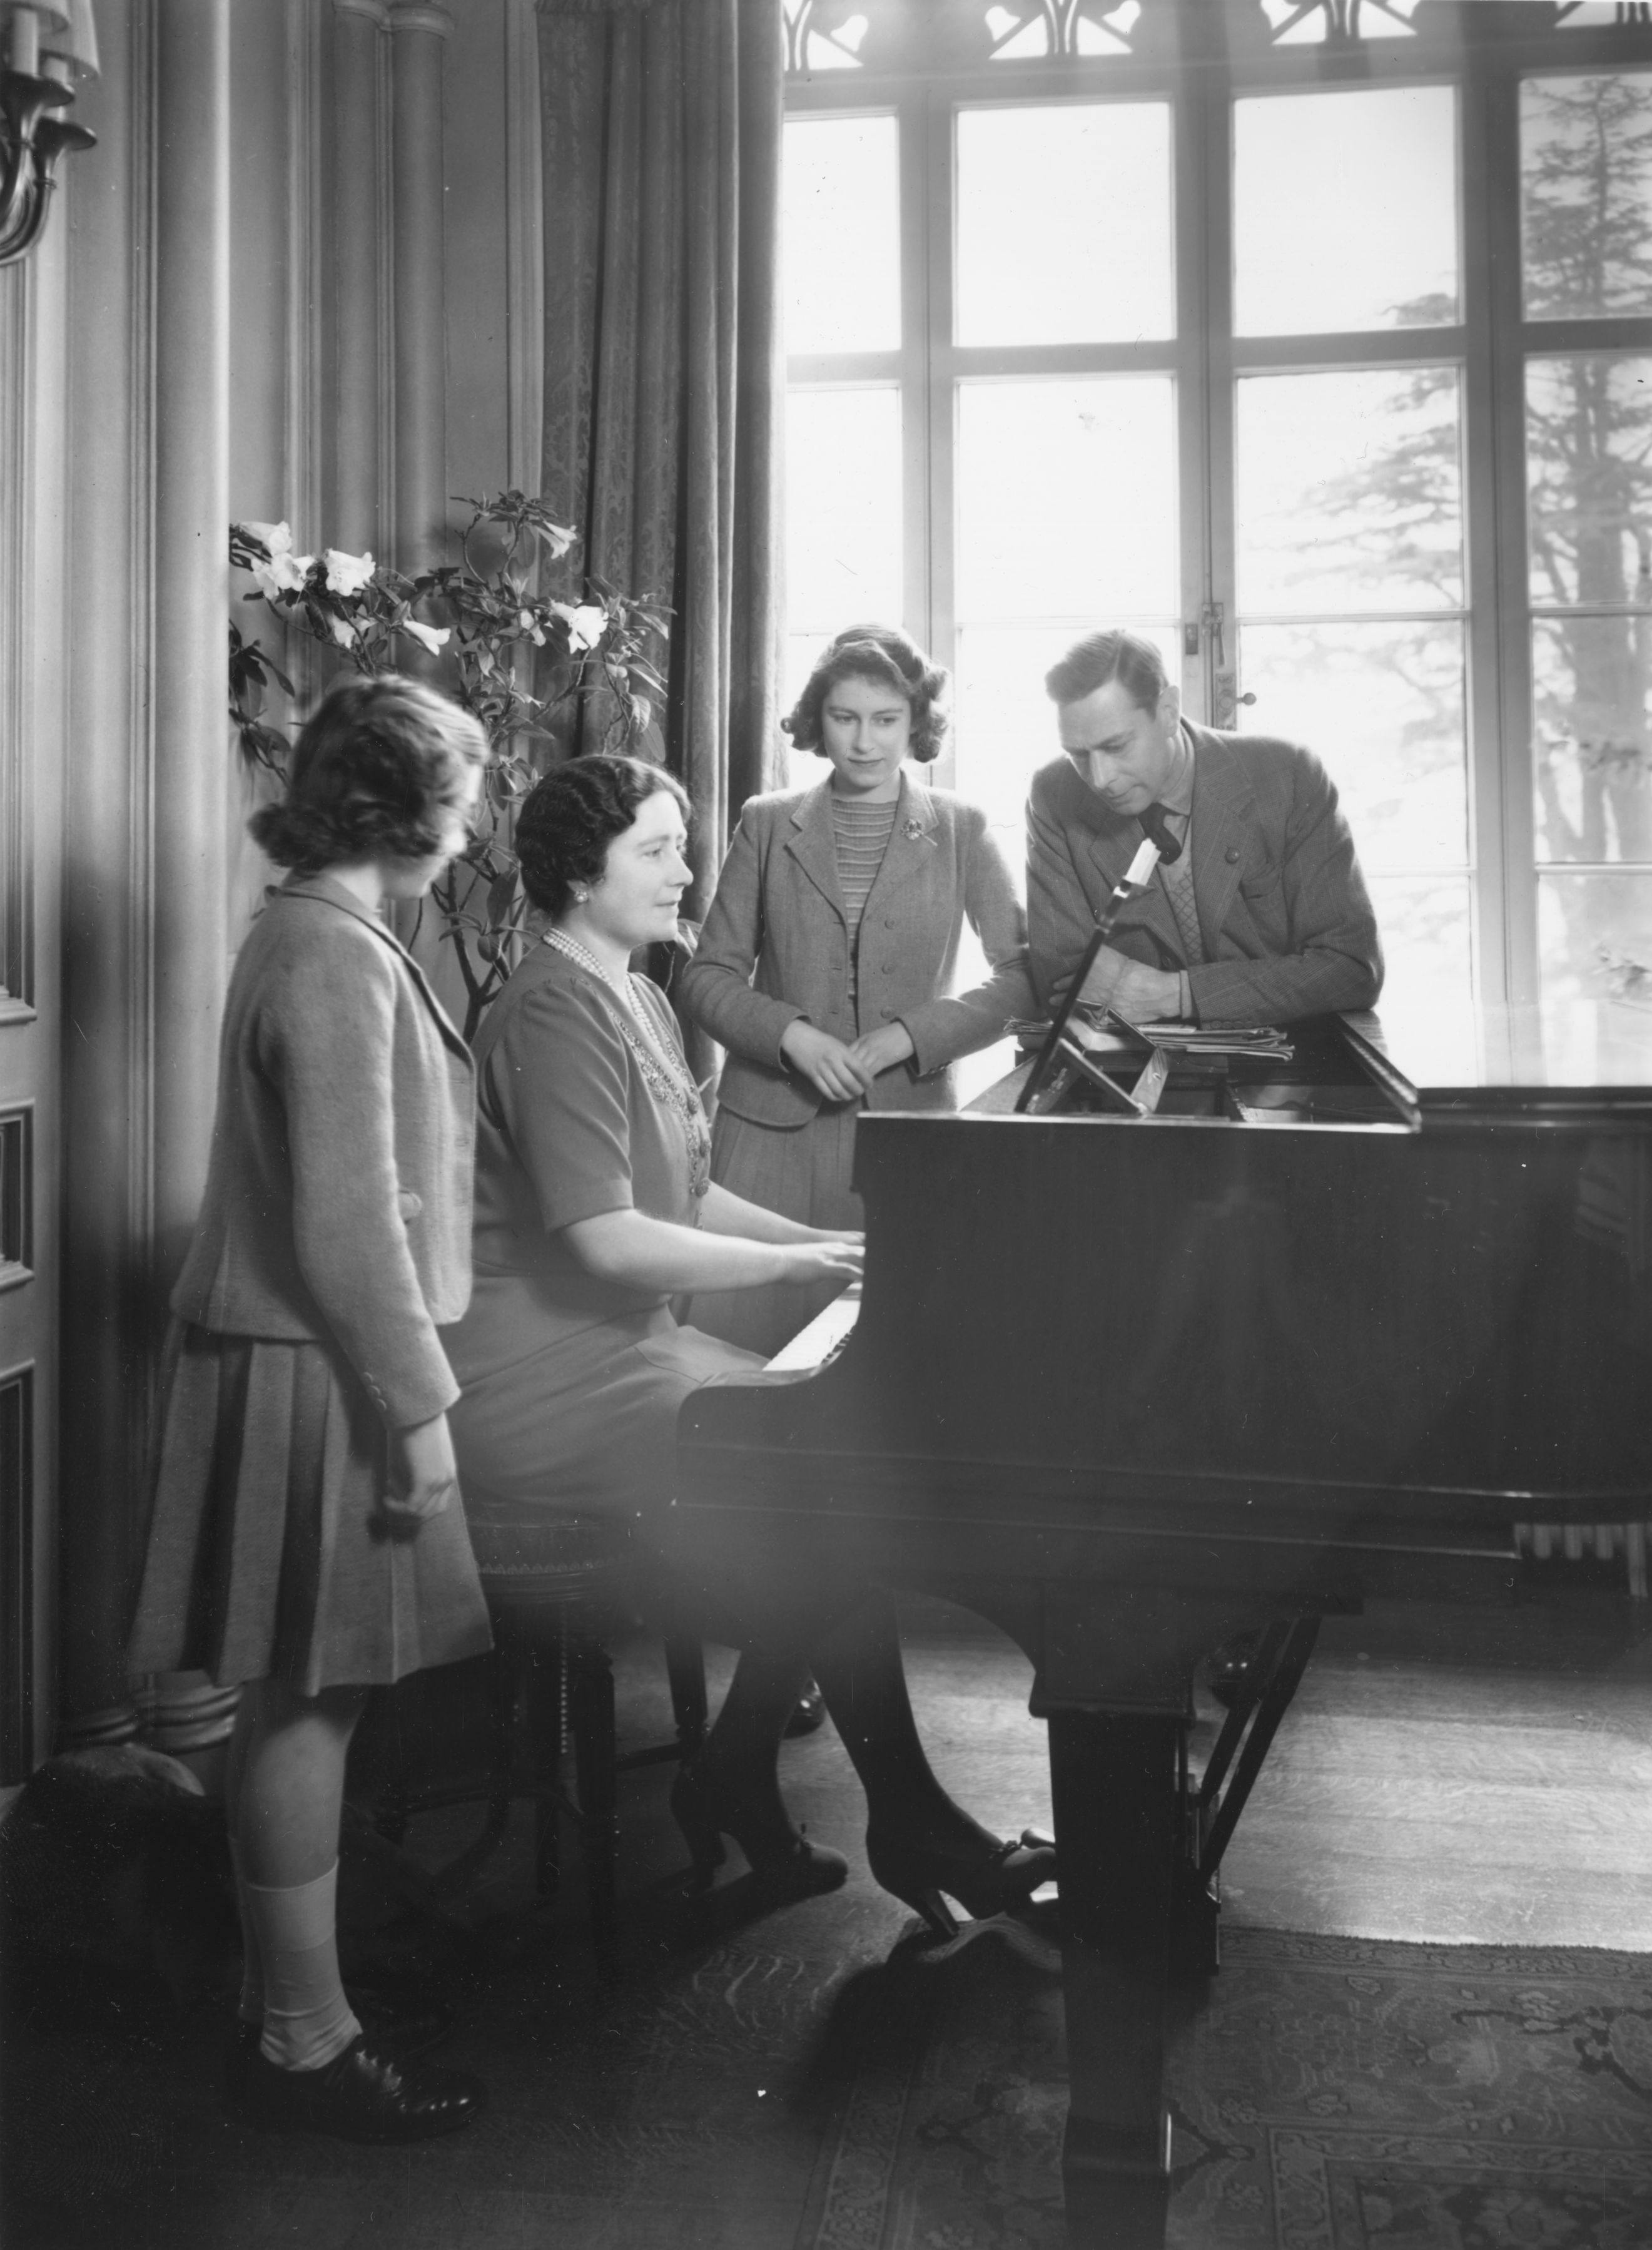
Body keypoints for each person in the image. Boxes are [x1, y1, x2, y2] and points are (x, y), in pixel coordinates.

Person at [442, 754, 1053, 1937]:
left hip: (622, 1354)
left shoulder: (634, 993)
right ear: (579, 874)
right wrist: (790, 1267)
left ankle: (764, 1777)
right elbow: (612, 1241)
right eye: (657, 851)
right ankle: (880, 1807)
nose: (687, 872)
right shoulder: (549, 1006)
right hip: (535, 1377)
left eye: (683, 844)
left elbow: (696, 1191)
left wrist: (830, 1246)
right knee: (815, 1485)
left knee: (831, 1479)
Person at [127, 676, 493, 2142]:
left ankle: (288, 2002)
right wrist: (420, 1412)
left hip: (290, 1352)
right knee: (308, 1702)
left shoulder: (314, 931)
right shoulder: (333, 953)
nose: (467, 835)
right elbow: (350, 1233)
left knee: (297, 1699)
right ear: (403, 808)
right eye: (459, 801)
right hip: (316, 1367)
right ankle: (302, 2034)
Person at [679, 624, 1035, 1357]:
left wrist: (914, 1034)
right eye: (845, 718)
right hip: (764, 1138)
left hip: (902, 1135)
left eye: (886, 720)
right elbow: (706, 975)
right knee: (737, 1362)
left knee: (881, 1368)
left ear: (917, 723)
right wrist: (791, 1035)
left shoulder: (963, 827)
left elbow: (1024, 976)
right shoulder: (767, 821)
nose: (865, 742)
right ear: (818, 720)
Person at [1027, 628, 1382, 1025]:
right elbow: (1061, 982)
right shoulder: (1053, 795)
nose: (1100, 778)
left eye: (1116, 747)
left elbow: (1351, 968)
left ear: (1168, 711)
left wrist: (1177, 994)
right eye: (1078, 754)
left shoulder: (1289, 774)